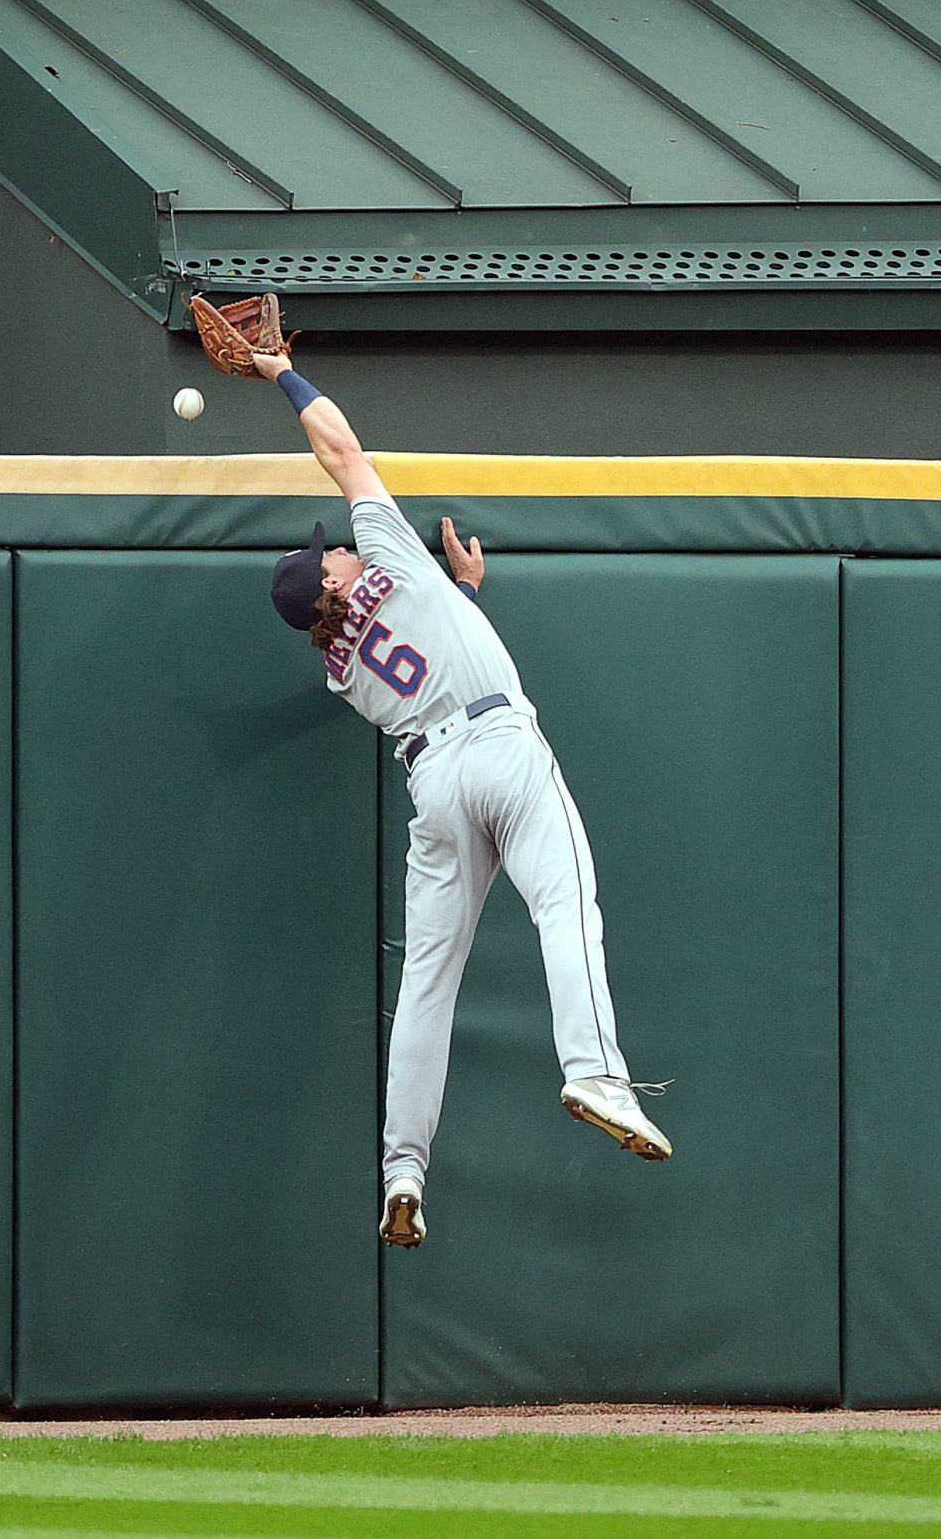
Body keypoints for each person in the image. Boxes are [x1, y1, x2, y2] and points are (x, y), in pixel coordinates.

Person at [245, 351, 669, 1250]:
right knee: (567, 906)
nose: (344, 547)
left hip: (434, 786)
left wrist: (463, 594)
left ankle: (404, 1171)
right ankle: (595, 1072)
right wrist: (283, 373)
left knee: (427, 987)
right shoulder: (392, 562)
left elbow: (424, 647)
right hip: (499, 749)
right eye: (332, 555)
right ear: (331, 582)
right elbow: (341, 448)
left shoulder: (337, 668)